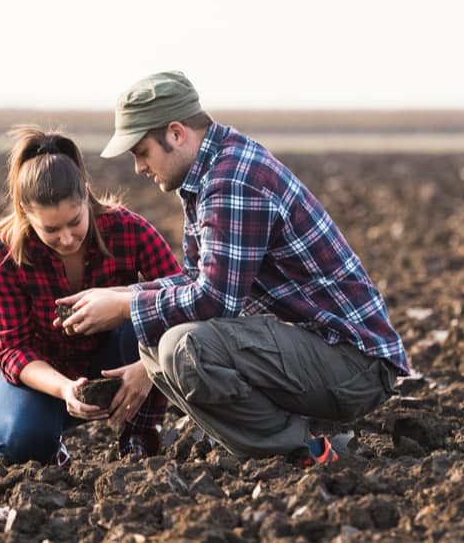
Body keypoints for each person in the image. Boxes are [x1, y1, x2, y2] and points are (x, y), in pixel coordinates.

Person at [61, 71, 409, 464]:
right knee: (158, 338)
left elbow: (214, 301)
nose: (139, 167)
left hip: (354, 364)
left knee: (182, 347)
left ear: (176, 134)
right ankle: (303, 437)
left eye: (142, 152)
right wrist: (121, 295)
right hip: (320, 352)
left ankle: (308, 450)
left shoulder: (232, 180)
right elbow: (199, 279)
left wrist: (125, 307)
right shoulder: (208, 171)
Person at [0, 126, 181, 464]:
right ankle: (50, 449)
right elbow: (13, 349)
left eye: (74, 222)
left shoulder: (128, 230)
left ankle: (138, 436)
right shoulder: (4, 253)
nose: (67, 238)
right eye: (50, 230)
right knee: (19, 440)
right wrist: (64, 389)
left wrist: (148, 369)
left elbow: (183, 296)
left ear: (86, 196)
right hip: (45, 372)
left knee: (146, 311)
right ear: (25, 214)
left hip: (117, 358)